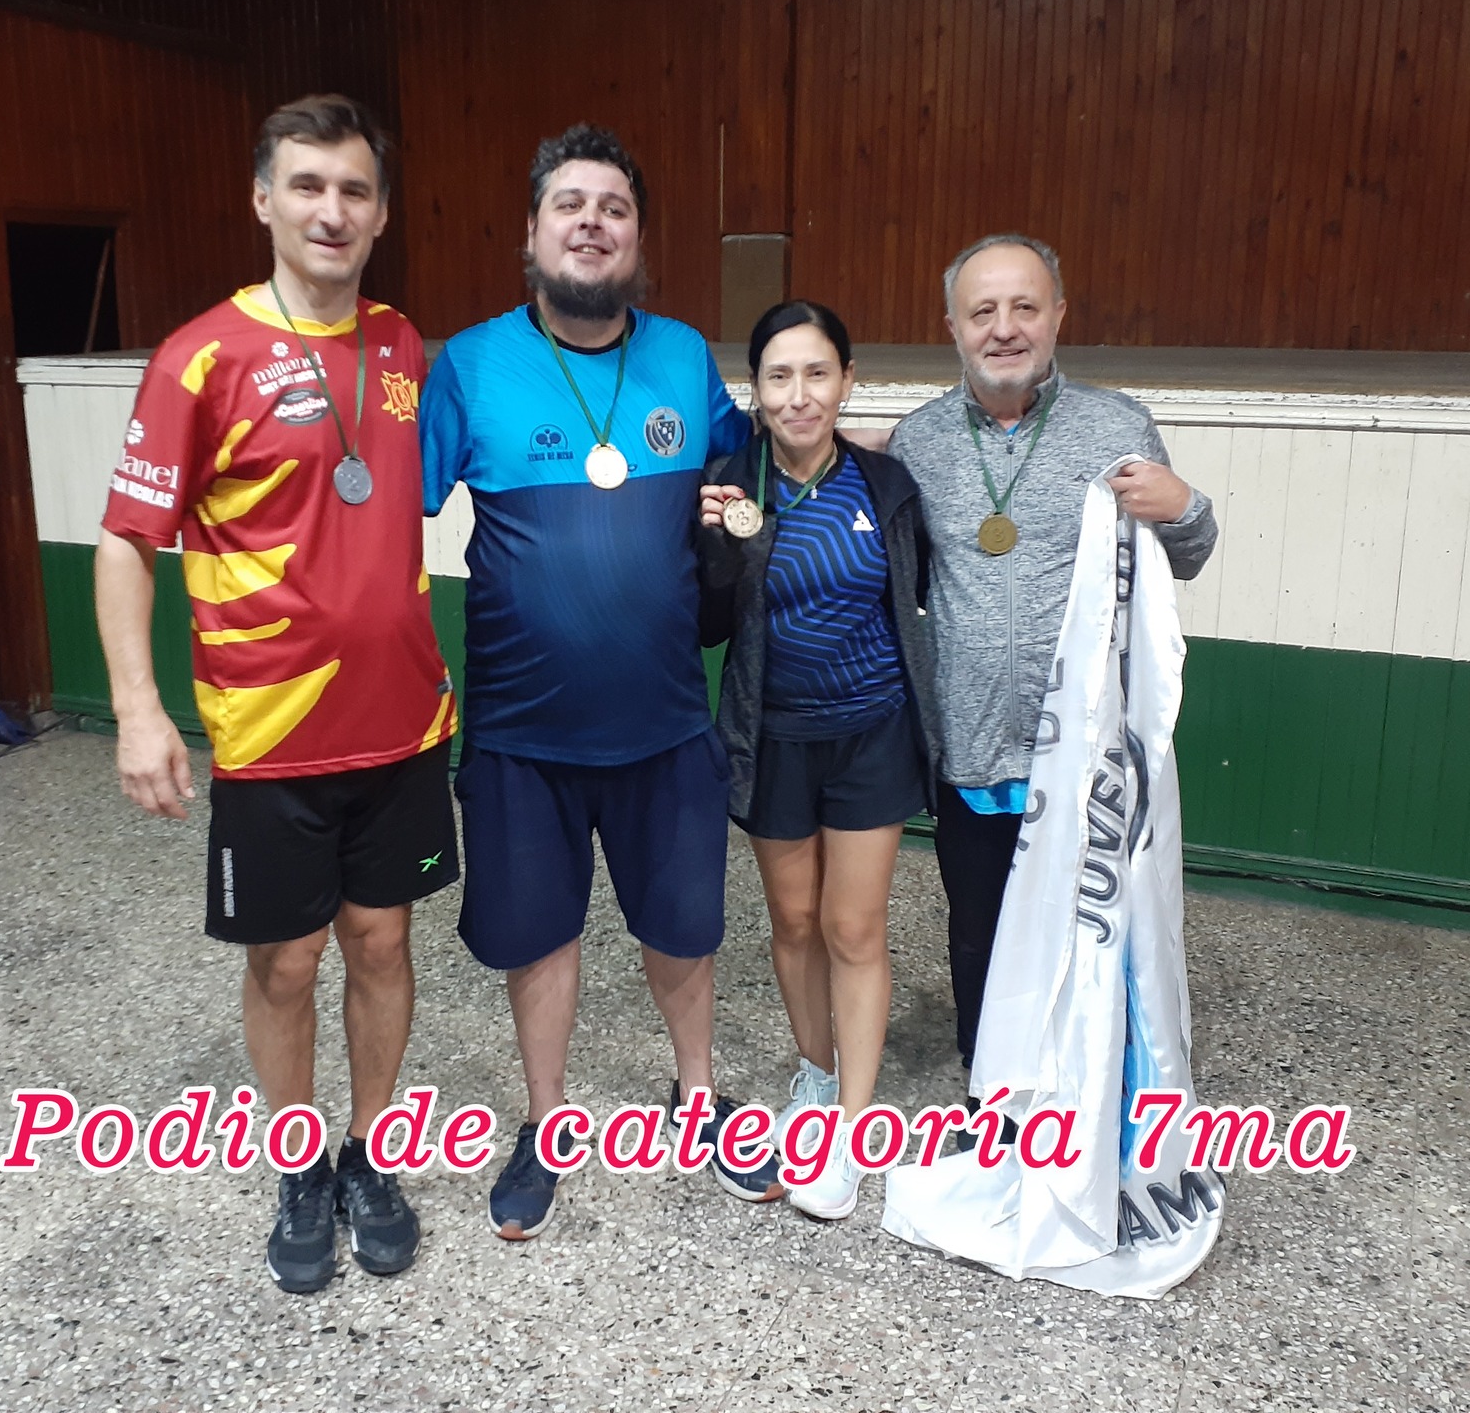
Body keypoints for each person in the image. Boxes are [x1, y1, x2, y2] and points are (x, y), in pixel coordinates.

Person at [96, 94, 459, 1293]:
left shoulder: (402, 346)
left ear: (381, 213)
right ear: (263, 199)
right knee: (287, 962)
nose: (330, 210)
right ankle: (300, 1166)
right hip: (268, 735)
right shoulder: (198, 357)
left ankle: (370, 1152)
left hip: (402, 724)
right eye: (307, 184)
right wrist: (138, 708)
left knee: (382, 944)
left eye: (353, 189)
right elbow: (124, 542)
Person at [419, 123, 778, 1240]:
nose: (590, 223)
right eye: (568, 205)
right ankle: (546, 1121)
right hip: (522, 732)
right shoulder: (469, 366)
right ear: (531, 234)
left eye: (613, 208)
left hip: (664, 720)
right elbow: (387, 516)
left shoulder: (682, 356)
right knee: (539, 936)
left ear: (637, 238)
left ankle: (698, 1099)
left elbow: (742, 471)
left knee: (685, 930)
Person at [886, 234, 1218, 1124]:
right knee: (977, 928)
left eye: (1024, 308)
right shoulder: (919, 441)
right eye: (982, 312)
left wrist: (1186, 508)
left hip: (1084, 754)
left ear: (1058, 316)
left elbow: (1186, 555)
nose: (1004, 329)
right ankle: (990, 1090)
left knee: (1091, 925)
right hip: (969, 748)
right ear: (952, 327)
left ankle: (1088, 1084)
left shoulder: (1118, 427)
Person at [695, 300, 936, 1220]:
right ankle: (815, 1071)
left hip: (873, 734)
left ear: (846, 381)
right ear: (755, 392)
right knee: (794, 922)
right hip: (773, 738)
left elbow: (921, 591)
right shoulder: (729, 484)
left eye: (817, 374)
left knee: (853, 927)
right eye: (779, 376)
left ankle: (852, 1123)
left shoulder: (887, 485)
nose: (798, 395)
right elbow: (706, 624)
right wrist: (714, 550)